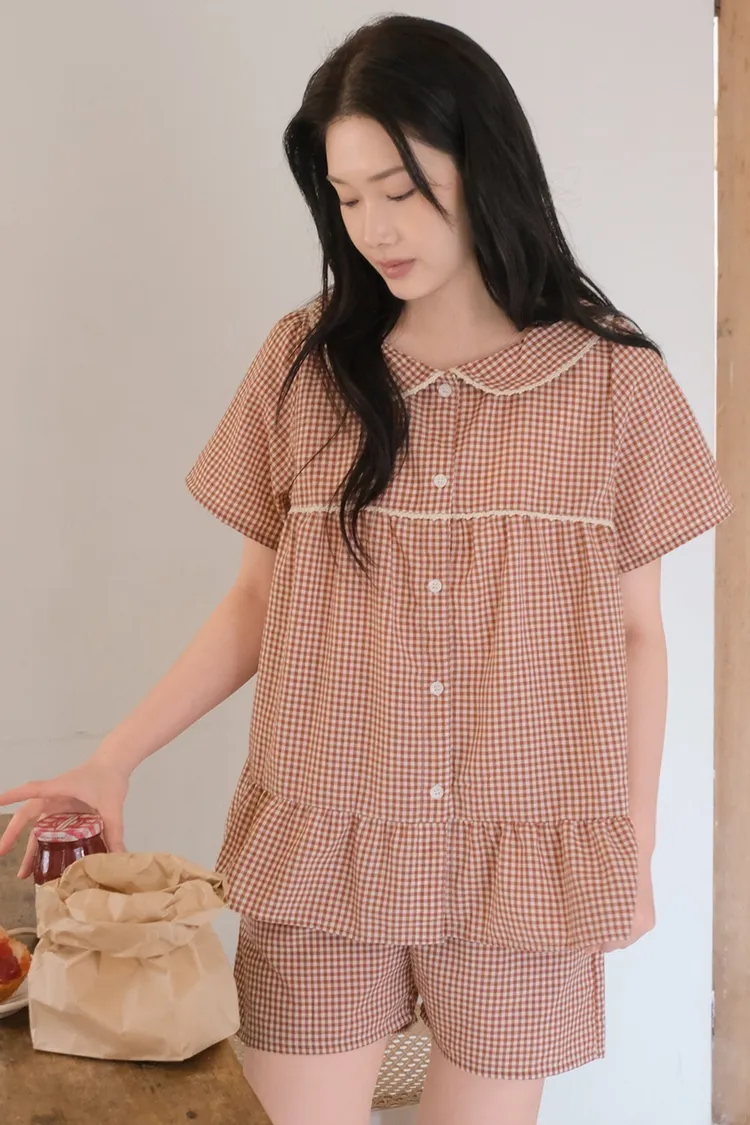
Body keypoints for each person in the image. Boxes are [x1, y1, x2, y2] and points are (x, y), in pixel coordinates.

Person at [0, 13, 733, 1125]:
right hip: (324, 838)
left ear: (484, 162)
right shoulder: (305, 365)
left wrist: (632, 847)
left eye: (400, 187)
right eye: (347, 197)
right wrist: (114, 757)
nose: (375, 227)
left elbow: (639, 634)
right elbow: (255, 602)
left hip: (523, 853)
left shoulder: (613, 381)